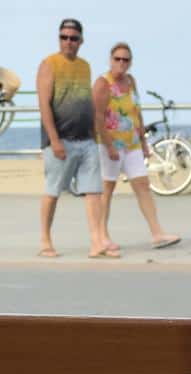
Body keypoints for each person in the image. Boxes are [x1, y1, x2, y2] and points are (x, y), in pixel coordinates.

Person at [93, 42, 180, 256]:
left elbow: (136, 112)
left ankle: (157, 233)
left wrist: (143, 143)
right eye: (117, 59)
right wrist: (109, 144)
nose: (121, 63)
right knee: (107, 190)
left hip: (131, 143)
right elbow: (97, 117)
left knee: (142, 185)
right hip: (110, 144)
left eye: (126, 59)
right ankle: (102, 236)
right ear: (110, 60)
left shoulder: (131, 81)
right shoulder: (103, 83)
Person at [36, 18, 107, 258]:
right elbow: (44, 105)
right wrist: (54, 140)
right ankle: (45, 240)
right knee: (53, 191)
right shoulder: (49, 64)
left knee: (94, 191)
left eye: (73, 38)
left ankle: (97, 242)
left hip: (86, 140)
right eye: (64, 37)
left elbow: (87, 102)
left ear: (81, 41)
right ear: (59, 39)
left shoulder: (85, 66)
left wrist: (96, 135)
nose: (68, 42)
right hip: (60, 140)